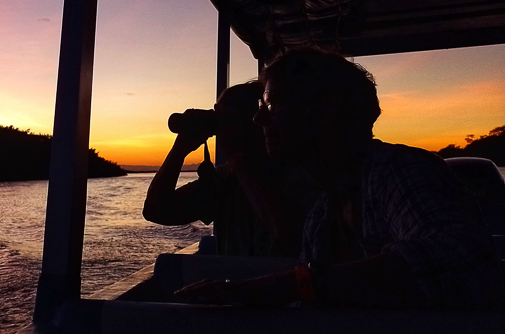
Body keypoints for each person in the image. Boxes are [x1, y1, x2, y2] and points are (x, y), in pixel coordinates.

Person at [176, 47, 505, 308]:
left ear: (326, 109)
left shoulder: (398, 169)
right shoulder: (323, 212)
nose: (259, 118)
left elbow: (456, 253)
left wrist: (273, 288)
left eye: (272, 102)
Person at [143, 80, 313, 257]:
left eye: (229, 119)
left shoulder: (299, 172)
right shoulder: (226, 179)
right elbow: (156, 211)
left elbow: (287, 233)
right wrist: (179, 149)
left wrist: (236, 156)